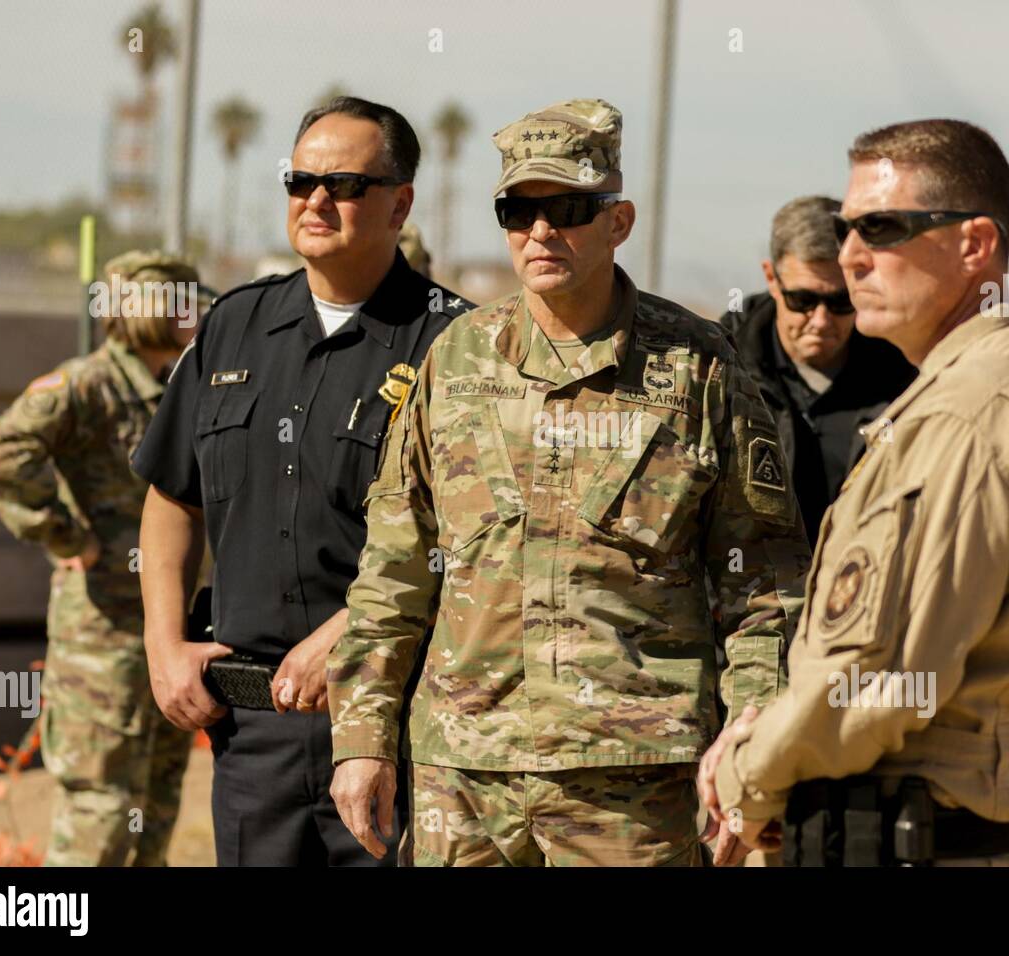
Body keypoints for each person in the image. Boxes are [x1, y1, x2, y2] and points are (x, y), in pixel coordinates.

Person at [327, 98, 810, 867]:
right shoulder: (455, 362)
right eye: (518, 211)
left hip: (631, 786)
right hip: (464, 779)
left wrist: (751, 743)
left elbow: (764, 586)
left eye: (569, 208)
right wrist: (362, 739)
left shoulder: (698, 369)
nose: (541, 232)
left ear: (618, 222)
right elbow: (394, 569)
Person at [701, 118, 1009, 867]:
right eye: (847, 228)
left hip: (926, 839)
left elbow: (870, 686)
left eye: (884, 227)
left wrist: (742, 774)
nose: (852, 257)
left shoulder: (969, 411)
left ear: (975, 245)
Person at [133, 97, 472, 866]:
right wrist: (166, 645)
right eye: (300, 180)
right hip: (254, 741)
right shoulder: (233, 325)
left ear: (401, 203)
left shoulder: (458, 345)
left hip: (401, 729)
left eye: (346, 184)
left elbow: (477, 543)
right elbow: (171, 496)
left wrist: (350, 634)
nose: (316, 200)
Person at [0, 250, 201, 866]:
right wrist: (65, 535)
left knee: (155, 804)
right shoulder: (87, 384)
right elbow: (0, 453)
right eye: (181, 298)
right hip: (104, 635)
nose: (196, 310)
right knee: (99, 809)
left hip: (171, 628)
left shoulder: (186, 384)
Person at [718, 195, 915, 545]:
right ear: (772, 279)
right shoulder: (719, 367)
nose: (821, 321)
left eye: (841, 302)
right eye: (804, 301)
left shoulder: (907, 375)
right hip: (750, 594)